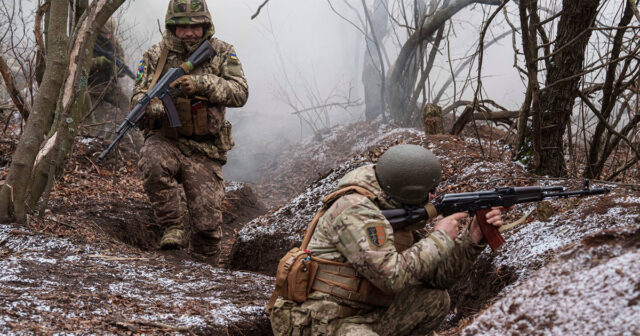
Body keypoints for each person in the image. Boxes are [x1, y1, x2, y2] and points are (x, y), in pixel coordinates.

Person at [268, 144, 506, 336]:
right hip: (321, 320)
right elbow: (392, 277)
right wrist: (439, 238)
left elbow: (438, 278)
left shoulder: (393, 207)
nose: (433, 195)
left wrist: (472, 238)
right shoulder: (354, 211)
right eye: (429, 190)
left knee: (435, 301)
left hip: (363, 311)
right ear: (409, 189)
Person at [131, 0, 248, 263]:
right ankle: (172, 226)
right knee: (152, 162)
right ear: (172, 26)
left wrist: (202, 84)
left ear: (205, 24)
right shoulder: (154, 56)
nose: (189, 33)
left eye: (195, 26)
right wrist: (152, 105)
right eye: (182, 27)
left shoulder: (221, 52)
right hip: (167, 139)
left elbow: (240, 92)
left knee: (207, 226)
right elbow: (138, 94)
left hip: (205, 148)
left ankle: (205, 272)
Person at [86, 18, 130, 139]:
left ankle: (132, 131)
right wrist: (99, 62)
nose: (107, 37)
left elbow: (122, 69)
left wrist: (114, 68)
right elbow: (79, 66)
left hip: (109, 85)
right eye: (104, 34)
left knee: (126, 103)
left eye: (110, 34)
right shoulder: (88, 41)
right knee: (97, 120)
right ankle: (95, 143)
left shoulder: (115, 44)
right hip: (90, 88)